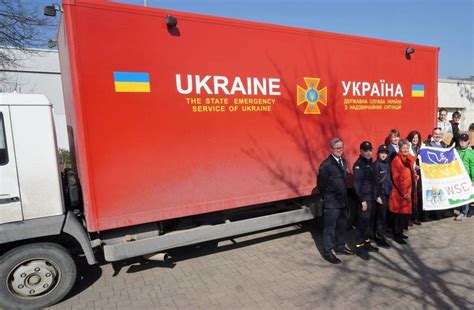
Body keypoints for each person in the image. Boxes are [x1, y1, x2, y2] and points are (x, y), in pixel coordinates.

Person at [317, 137, 353, 264]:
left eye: (341, 148)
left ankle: (340, 247)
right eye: (337, 148)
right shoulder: (326, 165)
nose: (339, 150)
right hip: (332, 203)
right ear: (331, 149)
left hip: (342, 200)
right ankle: (328, 252)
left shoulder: (343, 161)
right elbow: (321, 185)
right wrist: (328, 197)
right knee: (329, 228)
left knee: (342, 225)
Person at [352, 141, 379, 260]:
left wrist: (376, 195)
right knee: (362, 224)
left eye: (370, 150)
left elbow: (374, 182)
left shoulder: (370, 163)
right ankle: (359, 248)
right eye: (365, 150)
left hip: (372, 198)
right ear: (361, 151)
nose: (368, 152)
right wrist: (362, 200)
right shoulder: (359, 165)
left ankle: (367, 243)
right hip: (364, 199)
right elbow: (357, 185)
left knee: (369, 223)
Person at [389, 140, 417, 244]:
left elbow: (409, 173)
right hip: (400, 193)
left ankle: (400, 233)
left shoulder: (408, 159)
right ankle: (397, 235)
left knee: (403, 215)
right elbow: (397, 178)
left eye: (407, 148)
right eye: (403, 148)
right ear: (400, 149)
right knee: (398, 215)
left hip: (407, 191)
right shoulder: (397, 160)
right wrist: (404, 192)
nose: (405, 150)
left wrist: (415, 177)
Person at [372, 145, 392, 248]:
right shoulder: (376, 165)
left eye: (385, 153)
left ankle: (380, 234)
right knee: (380, 217)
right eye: (381, 153)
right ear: (378, 154)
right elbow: (375, 182)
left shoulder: (387, 164)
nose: (383, 155)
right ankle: (379, 238)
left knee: (384, 216)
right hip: (381, 195)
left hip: (387, 193)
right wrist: (377, 196)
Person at [454, 133, 474, 221]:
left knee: (465, 196)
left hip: (466, 178)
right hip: (456, 177)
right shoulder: (455, 150)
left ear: (468, 142)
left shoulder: (470, 153)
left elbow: (472, 166)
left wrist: (473, 179)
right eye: (461, 140)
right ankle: (453, 209)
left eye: (464, 141)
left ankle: (464, 213)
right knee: (456, 194)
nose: (462, 142)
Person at [406, 130, 423, 225]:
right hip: (411, 174)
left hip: (420, 174)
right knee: (411, 196)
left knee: (418, 196)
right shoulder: (408, 148)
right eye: (413, 138)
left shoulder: (421, 147)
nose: (415, 139)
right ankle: (408, 218)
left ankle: (415, 217)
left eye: (416, 138)